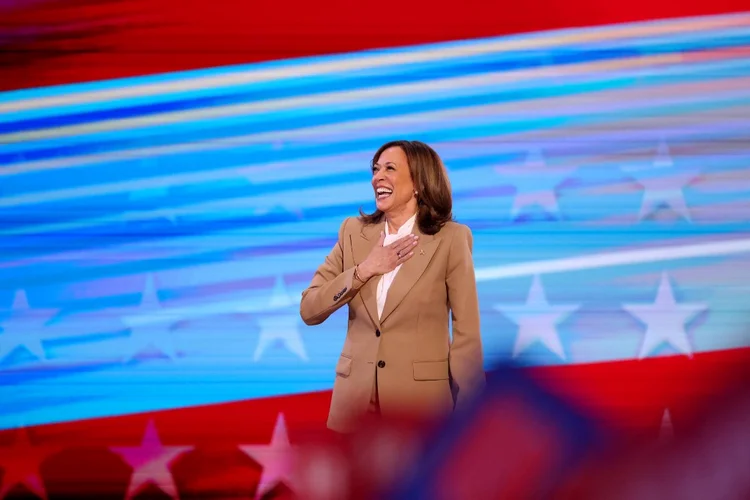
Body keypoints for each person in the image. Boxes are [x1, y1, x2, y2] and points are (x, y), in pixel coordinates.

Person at [300, 140, 485, 433]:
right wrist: (364, 270)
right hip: (354, 410)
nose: (377, 177)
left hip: (419, 412)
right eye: (375, 170)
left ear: (418, 183)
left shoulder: (451, 239)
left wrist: (470, 414)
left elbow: (466, 337)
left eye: (389, 168)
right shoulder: (353, 232)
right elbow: (309, 309)